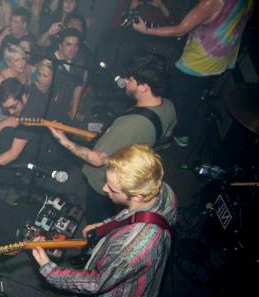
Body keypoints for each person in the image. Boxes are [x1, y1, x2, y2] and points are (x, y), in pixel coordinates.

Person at [31, 144, 177, 297]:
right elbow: (134, 214)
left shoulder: (133, 249)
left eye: (112, 188)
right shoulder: (162, 190)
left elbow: (96, 283)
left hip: (110, 286)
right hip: (118, 289)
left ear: (137, 194)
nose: (104, 188)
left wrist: (48, 268)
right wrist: (105, 225)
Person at [51, 53, 177, 223]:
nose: (125, 81)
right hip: (129, 170)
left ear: (144, 87)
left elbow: (96, 160)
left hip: (103, 182)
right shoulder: (168, 106)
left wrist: (64, 141)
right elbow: (167, 136)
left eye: (130, 79)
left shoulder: (128, 126)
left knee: (97, 220)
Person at [133, 0, 254, 150]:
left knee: (162, 93)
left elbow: (180, 30)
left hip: (198, 63)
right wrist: (162, 6)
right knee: (193, 97)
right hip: (221, 59)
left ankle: (159, 133)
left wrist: (145, 30)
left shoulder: (213, 2)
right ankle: (182, 133)